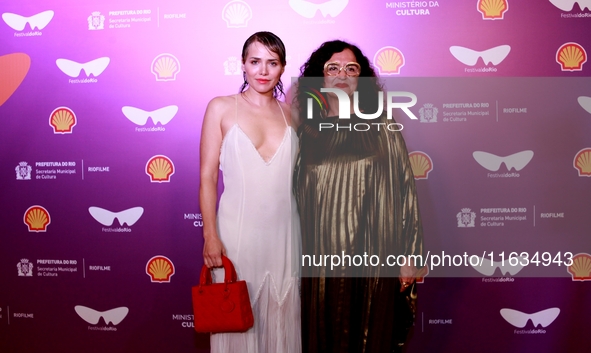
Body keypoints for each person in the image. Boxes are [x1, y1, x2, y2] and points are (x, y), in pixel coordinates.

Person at [293, 40, 423, 352]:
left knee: (371, 335)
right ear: (320, 78)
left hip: (374, 253)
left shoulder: (382, 126)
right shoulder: (305, 131)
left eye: (351, 68)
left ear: (360, 78)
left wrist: (410, 255)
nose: (342, 74)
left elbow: (406, 189)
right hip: (319, 259)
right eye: (332, 68)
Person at [199, 31, 301, 353]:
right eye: (255, 61)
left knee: (283, 320)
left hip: (286, 236)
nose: (263, 71)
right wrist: (210, 235)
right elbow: (207, 177)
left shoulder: (293, 115)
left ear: (282, 68)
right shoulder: (220, 108)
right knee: (236, 321)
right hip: (237, 238)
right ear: (243, 65)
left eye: (272, 63)